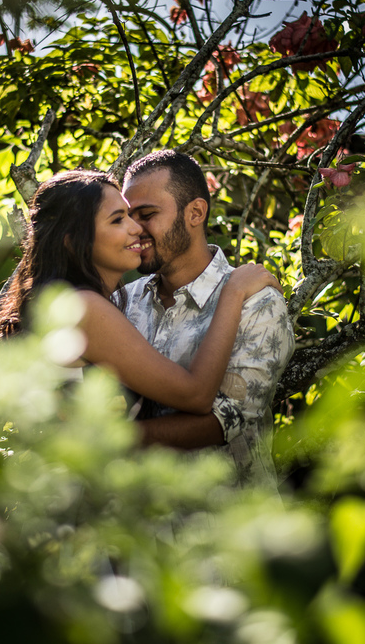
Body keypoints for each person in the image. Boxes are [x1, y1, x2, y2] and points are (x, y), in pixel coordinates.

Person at [0, 169, 279, 416]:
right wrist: (234, 292)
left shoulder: (76, 303)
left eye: (135, 215)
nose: (136, 228)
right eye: (118, 219)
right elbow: (196, 395)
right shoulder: (83, 308)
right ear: (72, 242)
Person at [119, 151, 294, 484]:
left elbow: (224, 421)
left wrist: (107, 443)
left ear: (195, 212)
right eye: (128, 217)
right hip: (136, 529)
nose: (133, 229)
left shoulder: (256, 302)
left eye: (147, 214)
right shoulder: (123, 300)